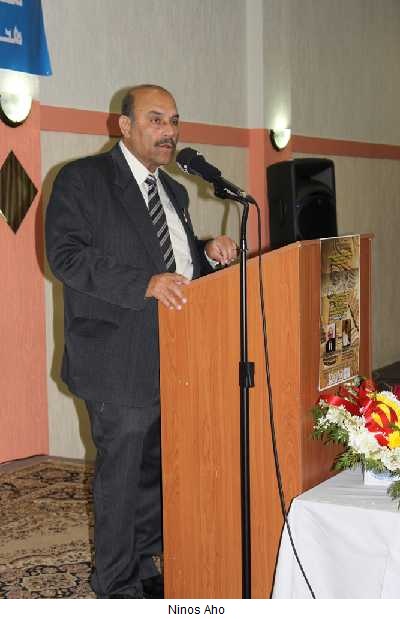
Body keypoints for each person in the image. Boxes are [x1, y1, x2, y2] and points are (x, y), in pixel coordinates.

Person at [45, 84, 238, 599]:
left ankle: (146, 562)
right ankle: (114, 583)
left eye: (174, 120)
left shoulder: (174, 190)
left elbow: (174, 263)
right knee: (122, 474)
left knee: (155, 467)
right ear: (124, 126)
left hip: (173, 353)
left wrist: (205, 253)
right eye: (156, 120)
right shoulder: (83, 180)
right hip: (116, 355)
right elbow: (66, 255)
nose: (169, 131)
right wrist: (143, 283)